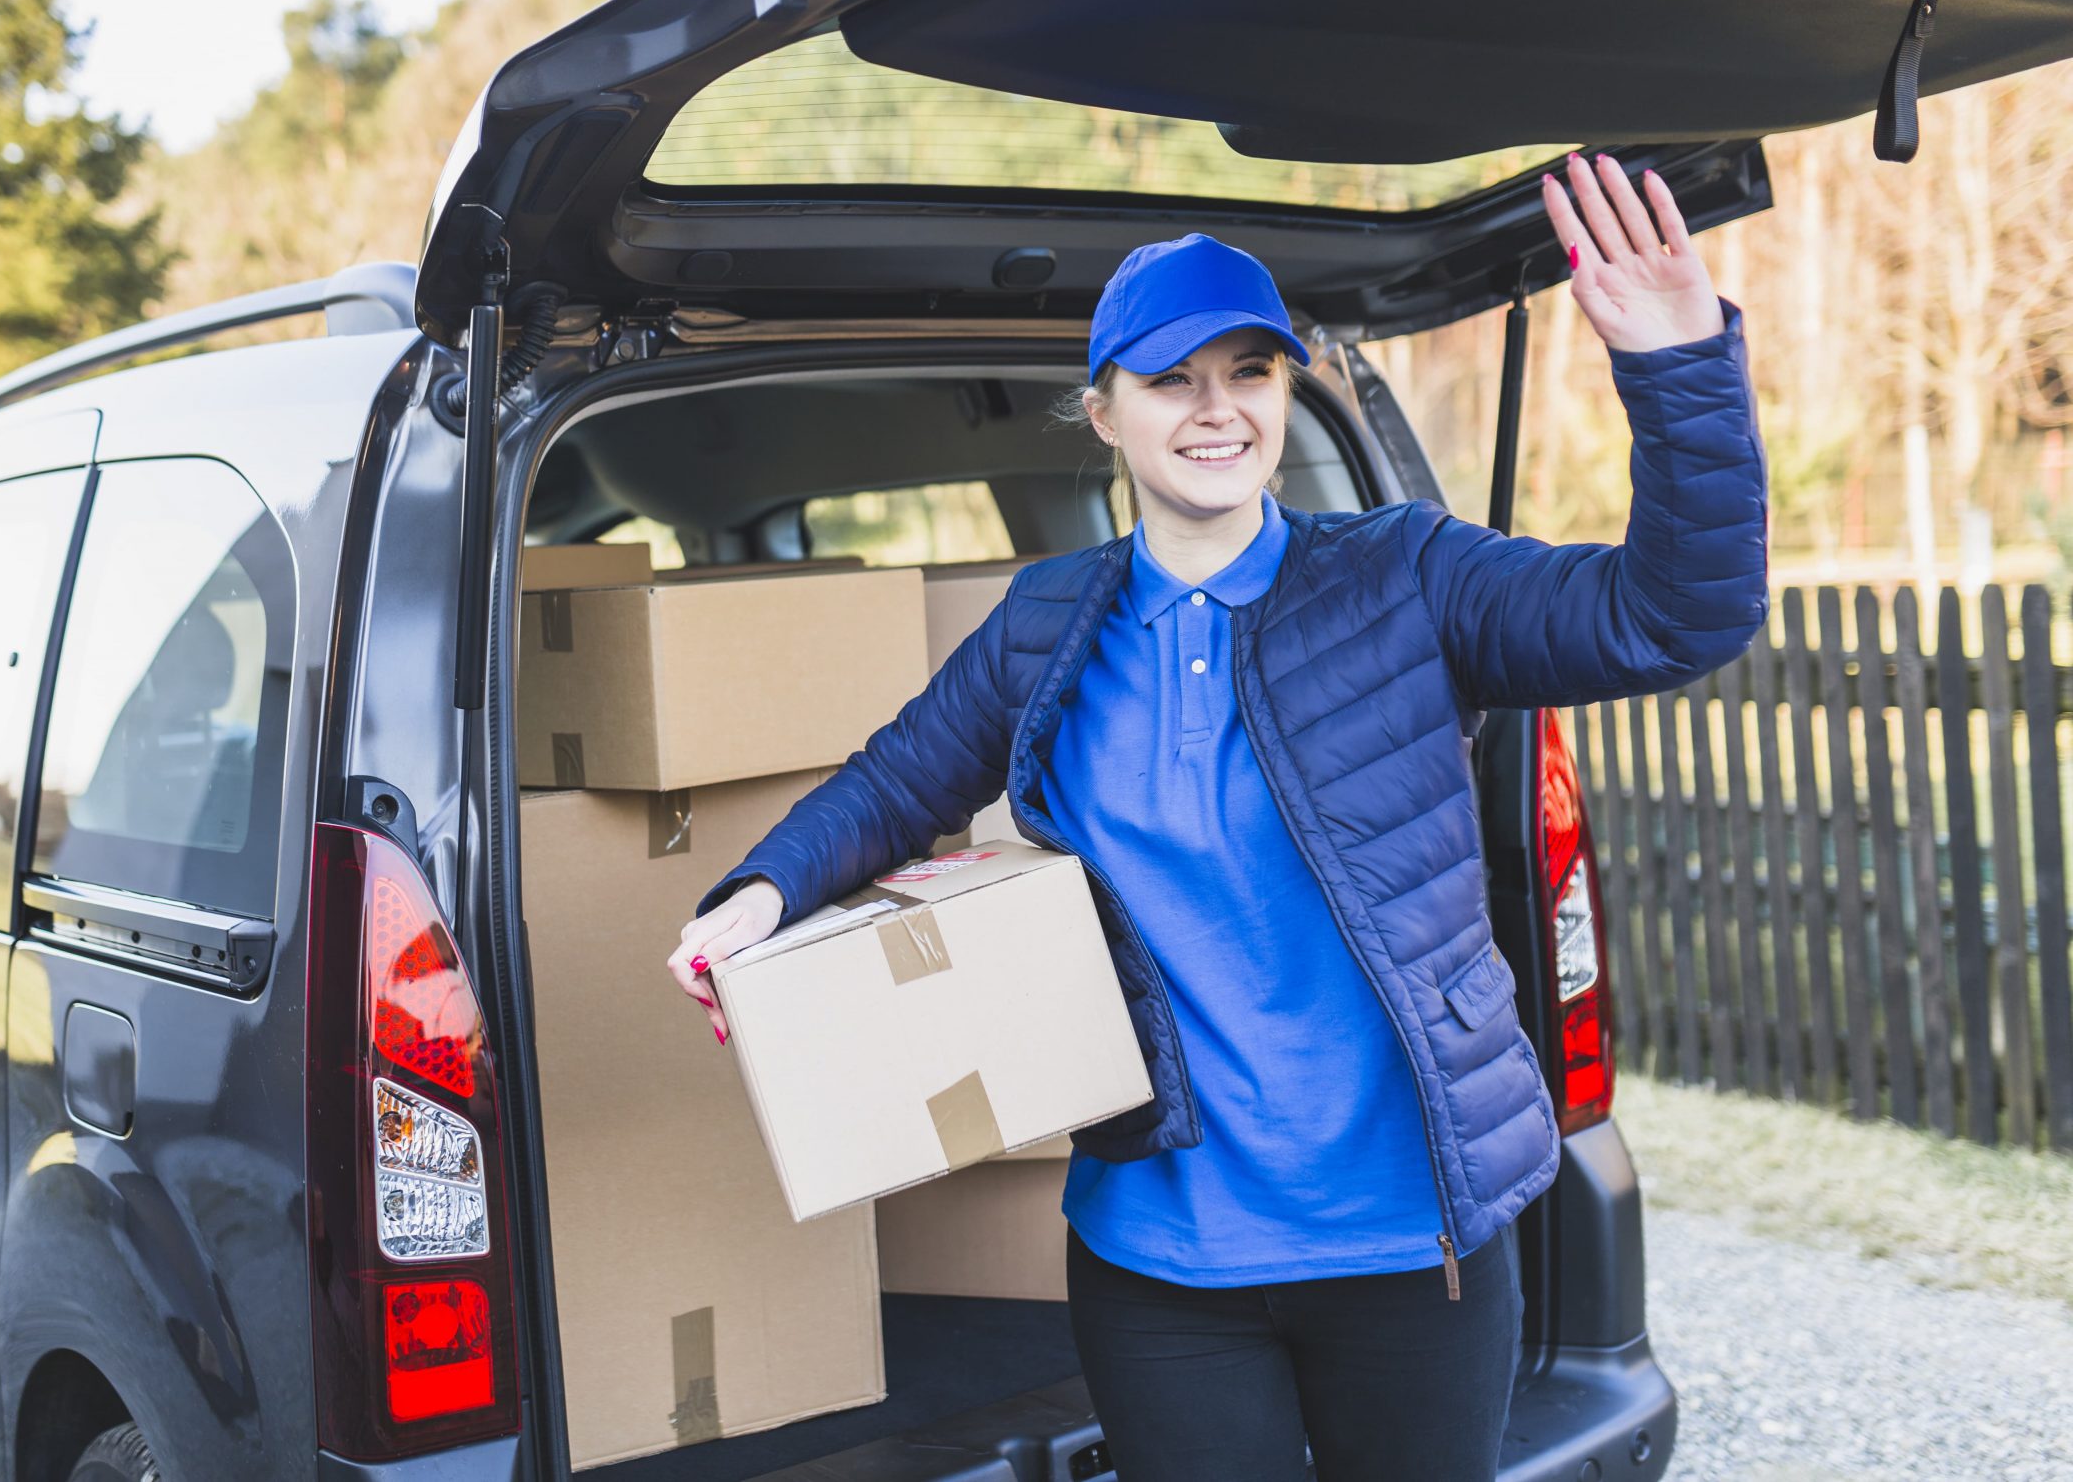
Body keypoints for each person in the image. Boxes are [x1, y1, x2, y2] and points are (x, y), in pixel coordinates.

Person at [662, 152, 1769, 1481]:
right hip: (1161, 1261)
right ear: (1103, 410)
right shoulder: (1047, 623)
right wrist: (755, 900)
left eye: (1250, 373)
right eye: (1171, 379)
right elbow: (899, 778)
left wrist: (1680, 365)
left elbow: (1674, 617)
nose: (1216, 410)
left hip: (1412, 1251)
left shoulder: (1402, 575)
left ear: (1285, 390)